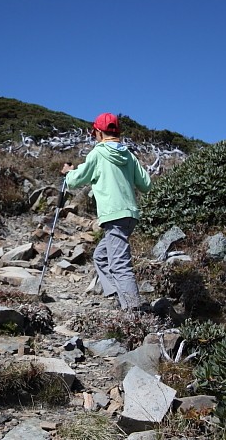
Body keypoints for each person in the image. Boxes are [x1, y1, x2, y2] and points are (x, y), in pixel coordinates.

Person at [61, 112, 152, 310]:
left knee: (119, 264)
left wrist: (68, 173)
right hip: (130, 215)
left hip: (113, 215)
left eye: (94, 132)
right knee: (101, 256)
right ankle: (120, 298)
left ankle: (133, 312)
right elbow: (146, 184)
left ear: (99, 133)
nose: (94, 136)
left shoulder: (98, 153)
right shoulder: (129, 155)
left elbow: (76, 180)